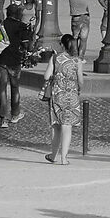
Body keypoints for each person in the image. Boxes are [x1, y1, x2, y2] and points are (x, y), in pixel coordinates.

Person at [41, 32, 85, 165]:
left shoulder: (55, 58)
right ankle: (64, 158)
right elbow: (81, 80)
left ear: (62, 45)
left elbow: (46, 76)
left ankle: (53, 155)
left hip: (57, 95)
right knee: (67, 126)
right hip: (72, 96)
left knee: (56, 126)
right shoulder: (77, 61)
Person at [0, 3, 34, 128]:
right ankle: (15, 114)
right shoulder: (21, 26)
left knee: (2, 89)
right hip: (15, 61)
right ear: (18, 14)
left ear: (7, 13)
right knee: (15, 88)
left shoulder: (0, 25)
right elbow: (27, 45)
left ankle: (3, 119)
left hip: (1, 60)